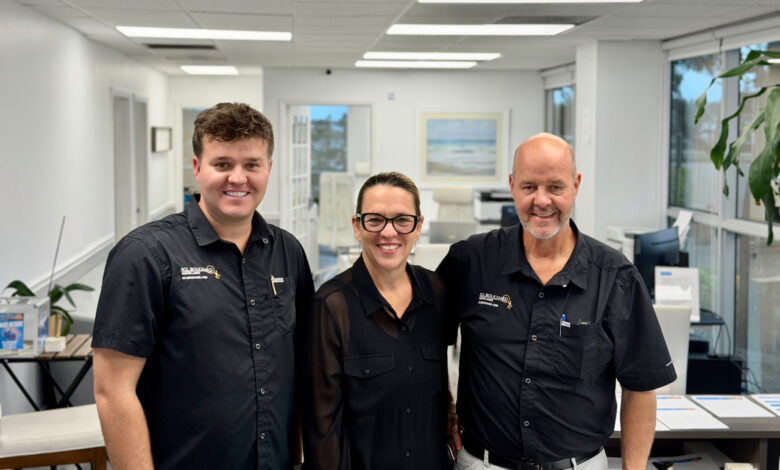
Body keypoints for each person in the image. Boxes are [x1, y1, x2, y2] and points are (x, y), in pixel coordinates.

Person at [92, 102, 314, 470]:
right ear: (197, 168)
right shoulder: (145, 255)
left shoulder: (287, 251)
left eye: (252, 165)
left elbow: (300, 367)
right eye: (222, 164)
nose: (238, 178)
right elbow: (113, 392)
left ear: (269, 169)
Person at [437, 133, 676, 470]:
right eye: (529, 187)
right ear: (512, 185)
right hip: (483, 463)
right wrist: (446, 404)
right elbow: (426, 341)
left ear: (576, 185)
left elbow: (641, 386)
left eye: (555, 187)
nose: (542, 200)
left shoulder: (615, 276)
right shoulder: (470, 261)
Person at [302, 172, 455, 469]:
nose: (388, 232)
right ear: (357, 227)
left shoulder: (436, 291)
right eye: (374, 220)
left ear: (418, 226)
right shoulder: (332, 306)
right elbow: (322, 429)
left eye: (402, 220)